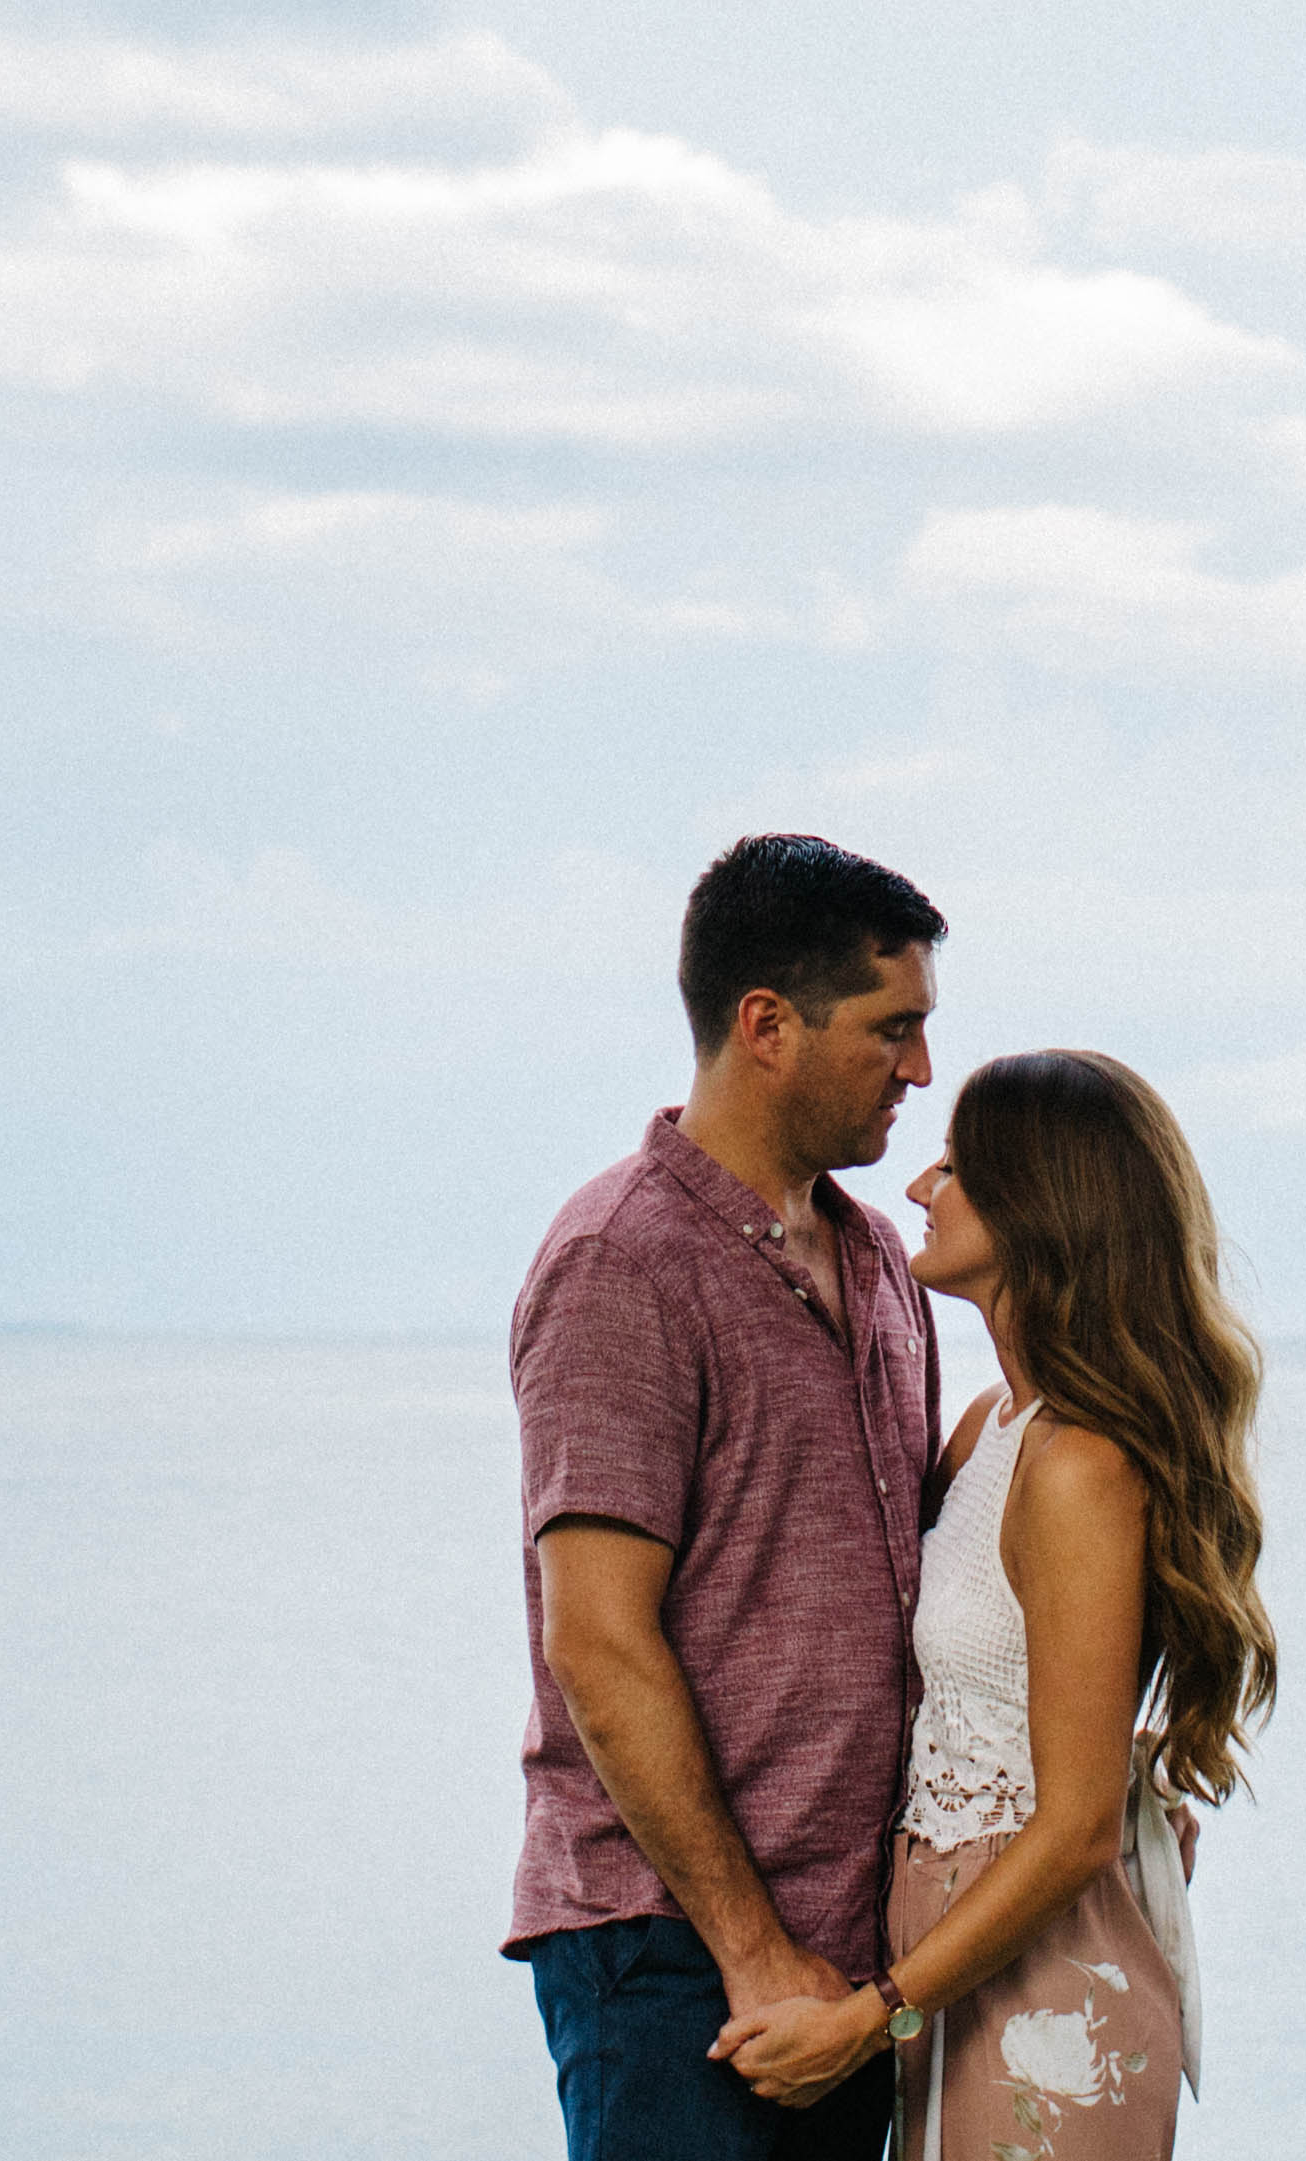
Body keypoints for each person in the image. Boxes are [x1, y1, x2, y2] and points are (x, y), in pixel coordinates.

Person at [714, 1049, 1270, 2157]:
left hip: (1042, 1972)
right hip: (951, 1944)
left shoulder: (1080, 1466)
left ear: (1039, 1203)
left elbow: (1068, 1831)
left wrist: (868, 2017)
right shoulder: (986, 1429)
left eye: (959, 1165)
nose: (919, 1185)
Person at [507, 835, 950, 2158]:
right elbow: (595, 1637)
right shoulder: (618, 1261)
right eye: (892, 1028)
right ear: (766, 1023)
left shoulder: (876, 1254)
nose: (919, 1071)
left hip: (852, 1962)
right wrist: (751, 1951)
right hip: (677, 1956)